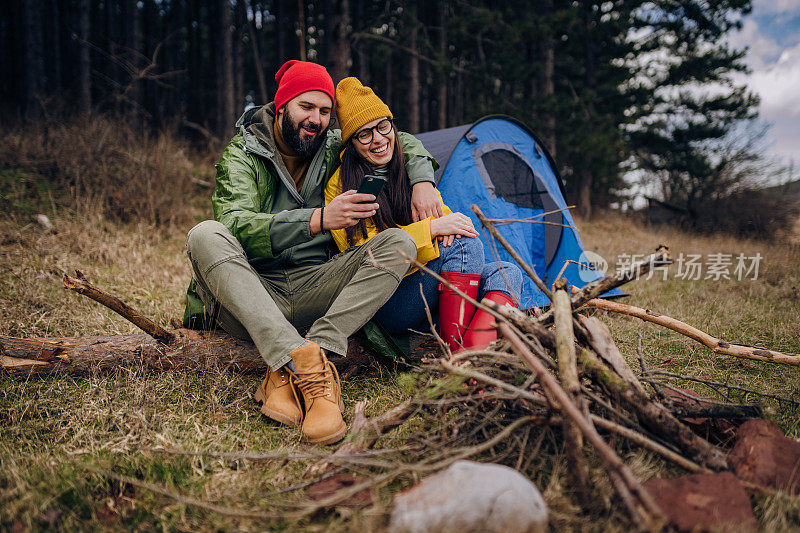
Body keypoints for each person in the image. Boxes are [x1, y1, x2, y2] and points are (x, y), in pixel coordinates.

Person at [183, 61, 442, 445]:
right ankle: (297, 360)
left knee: (399, 243)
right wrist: (318, 219)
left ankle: (313, 351)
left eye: (324, 111)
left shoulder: (334, 145)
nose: (316, 119)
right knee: (205, 234)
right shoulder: (242, 154)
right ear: (282, 104)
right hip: (252, 296)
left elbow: (397, 138)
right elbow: (235, 224)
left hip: (317, 287)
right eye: (306, 107)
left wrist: (422, 180)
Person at [325, 77, 523, 350]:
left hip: (427, 290)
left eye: (383, 126)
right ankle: (460, 357)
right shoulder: (341, 187)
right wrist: (432, 230)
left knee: (507, 273)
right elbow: (367, 257)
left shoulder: (412, 170)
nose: (378, 139)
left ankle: (473, 352)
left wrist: (426, 191)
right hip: (388, 300)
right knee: (466, 247)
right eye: (364, 133)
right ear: (351, 143)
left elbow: (450, 229)